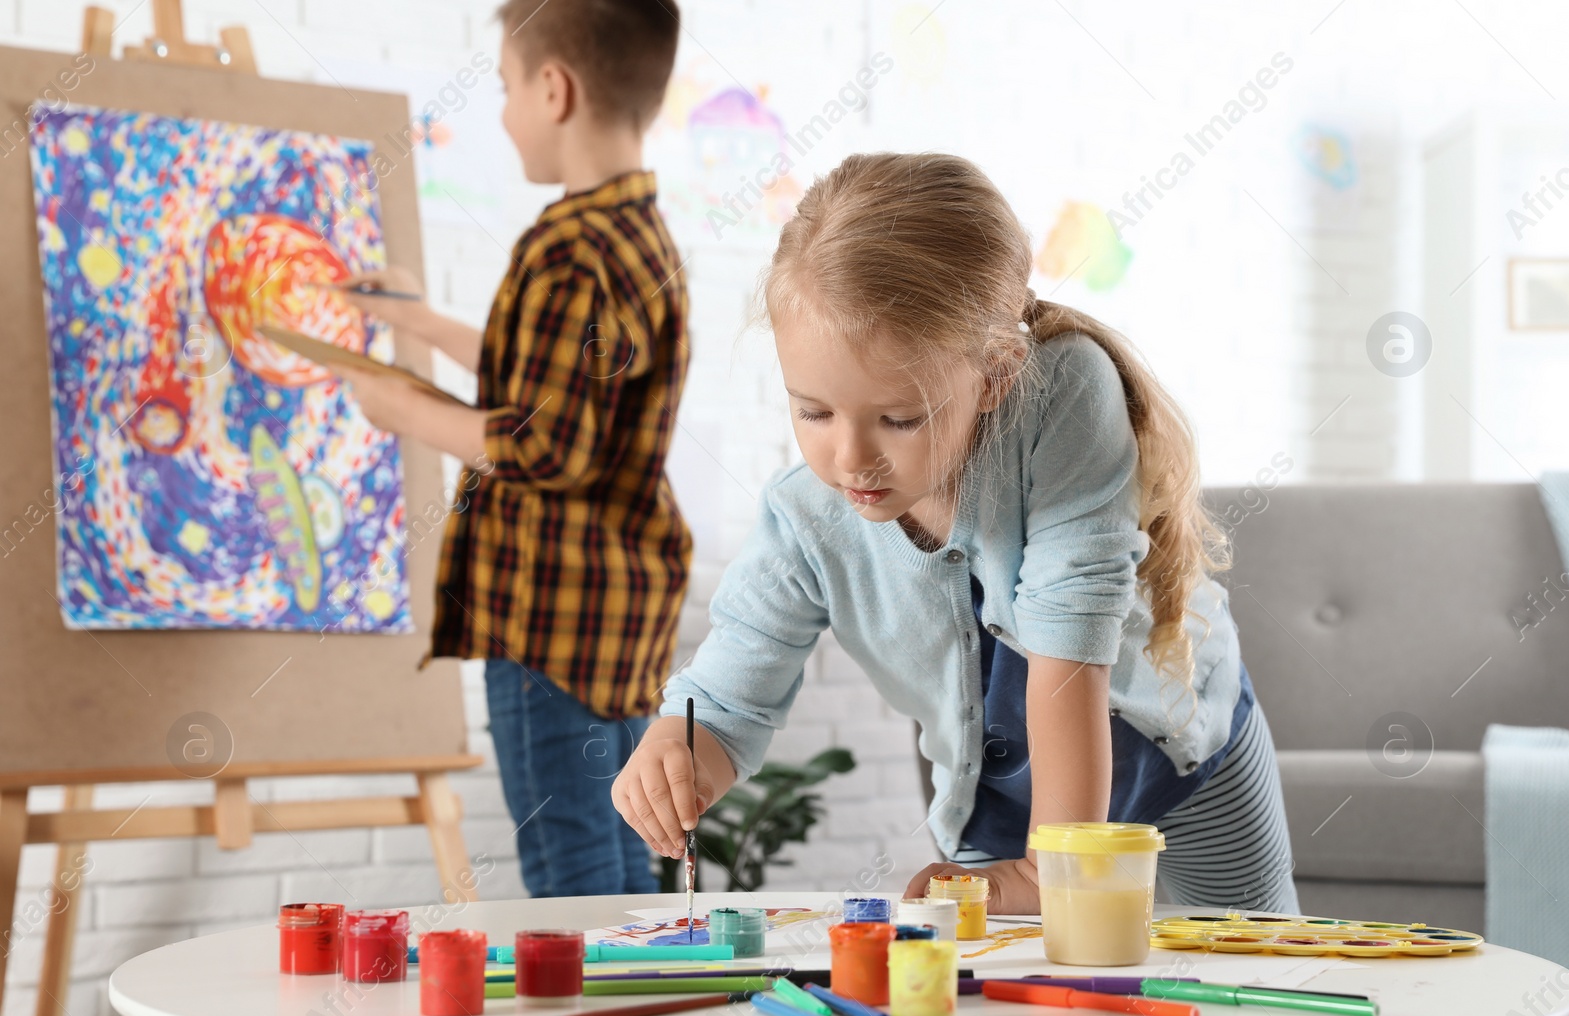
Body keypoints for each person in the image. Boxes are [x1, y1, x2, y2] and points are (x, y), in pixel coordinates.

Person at [610, 151, 1298, 915]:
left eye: (900, 419)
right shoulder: (805, 518)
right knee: (1005, 1013)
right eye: (813, 411)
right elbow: (728, 701)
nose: (850, 457)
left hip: (1184, 748)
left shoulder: (1064, 390)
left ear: (997, 374)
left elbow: (1070, 642)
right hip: (1000, 797)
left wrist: (1048, 874)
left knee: (1264, 956)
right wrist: (679, 748)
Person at [334, 0, 689, 898]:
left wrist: (403, 407)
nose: (500, 113)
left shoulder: (570, 250)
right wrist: (422, 322)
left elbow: (545, 445)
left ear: (553, 88)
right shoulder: (638, 235)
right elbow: (558, 384)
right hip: (615, 614)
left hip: (548, 618)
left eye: (502, 89)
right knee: (618, 854)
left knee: (572, 872)